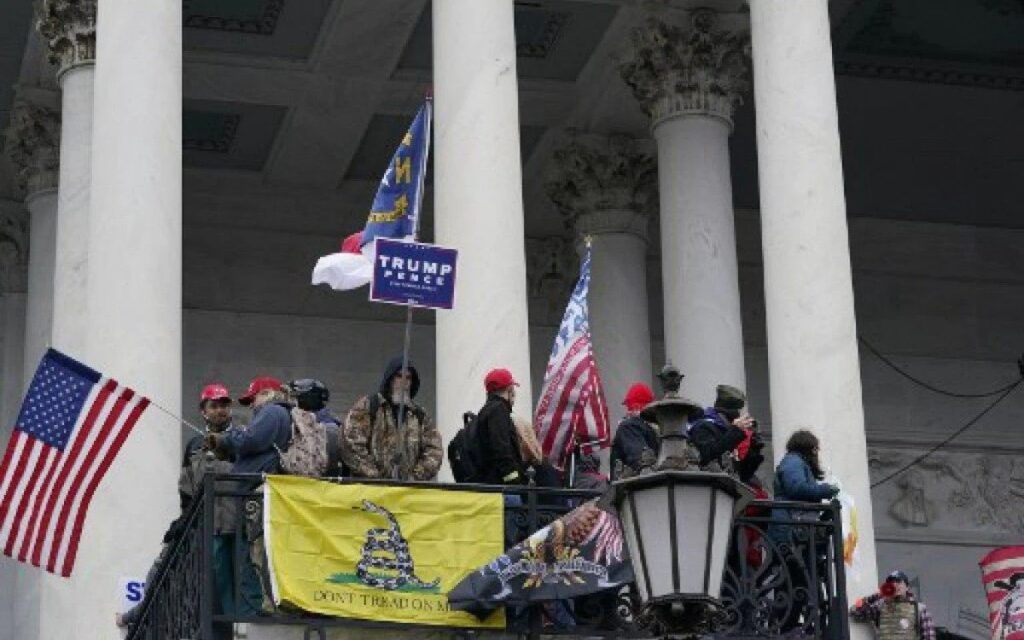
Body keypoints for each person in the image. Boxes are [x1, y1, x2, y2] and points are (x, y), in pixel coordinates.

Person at [207, 376, 293, 617]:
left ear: (266, 394)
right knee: (253, 555)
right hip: (254, 491)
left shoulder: (273, 411)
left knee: (255, 556)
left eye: (252, 399)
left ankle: (259, 609)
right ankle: (258, 607)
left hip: (257, 491)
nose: (252, 407)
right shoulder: (278, 413)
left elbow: (253, 439)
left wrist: (226, 439)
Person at [179, 384, 240, 624]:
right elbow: (186, 487)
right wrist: (185, 520)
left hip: (238, 524)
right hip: (207, 525)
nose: (220, 411)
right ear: (204, 411)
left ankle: (239, 629)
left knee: (238, 583)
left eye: (224, 405)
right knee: (210, 584)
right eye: (213, 406)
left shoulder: (240, 437)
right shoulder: (194, 444)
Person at [770, 429, 840, 632]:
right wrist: (827, 489)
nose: (817, 452)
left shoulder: (795, 462)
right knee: (794, 581)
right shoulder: (793, 461)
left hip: (794, 531)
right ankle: (785, 626)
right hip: (791, 531)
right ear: (807, 446)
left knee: (797, 583)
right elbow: (796, 488)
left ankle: (789, 626)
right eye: (815, 448)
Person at [341, 356, 442, 481]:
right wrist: (374, 476)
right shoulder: (368, 407)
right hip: (370, 488)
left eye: (408, 378)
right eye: (399, 376)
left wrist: (414, 478)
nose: (404, 381)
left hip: (407, 492)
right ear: (390, 379)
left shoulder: (419, 416)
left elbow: (434, 451)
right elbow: (351, 443)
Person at [474, 368, 526, 486]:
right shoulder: (498, 410)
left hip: (492, 485)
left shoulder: (485, 411)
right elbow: (501, 449)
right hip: (503, 488)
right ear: (510, 390)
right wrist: (515, 482)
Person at [850, 570, 936, 640]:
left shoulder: (919, 608)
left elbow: (929, 637)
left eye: (898, 582)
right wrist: (876, 595)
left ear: (907, 587)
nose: (895, 585)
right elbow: (855, 612)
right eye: (891, 583)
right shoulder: (881, 605)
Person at [687, 384, 753, 473]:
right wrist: (735, 431)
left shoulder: (725, 430)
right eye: (740, 413)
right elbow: (708, 455)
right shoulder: (703, 426)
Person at [287, 378, 344, 476]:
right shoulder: (299, 417)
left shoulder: (329, 426)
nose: (293, 402)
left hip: (322, 477)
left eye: (297, 398)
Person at [610, 382, 659, 480]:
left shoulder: (628, 427)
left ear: (637, 407)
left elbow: (641, 463)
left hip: (633, 491)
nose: (627, 412)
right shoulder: (656, 430)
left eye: (629, 407)